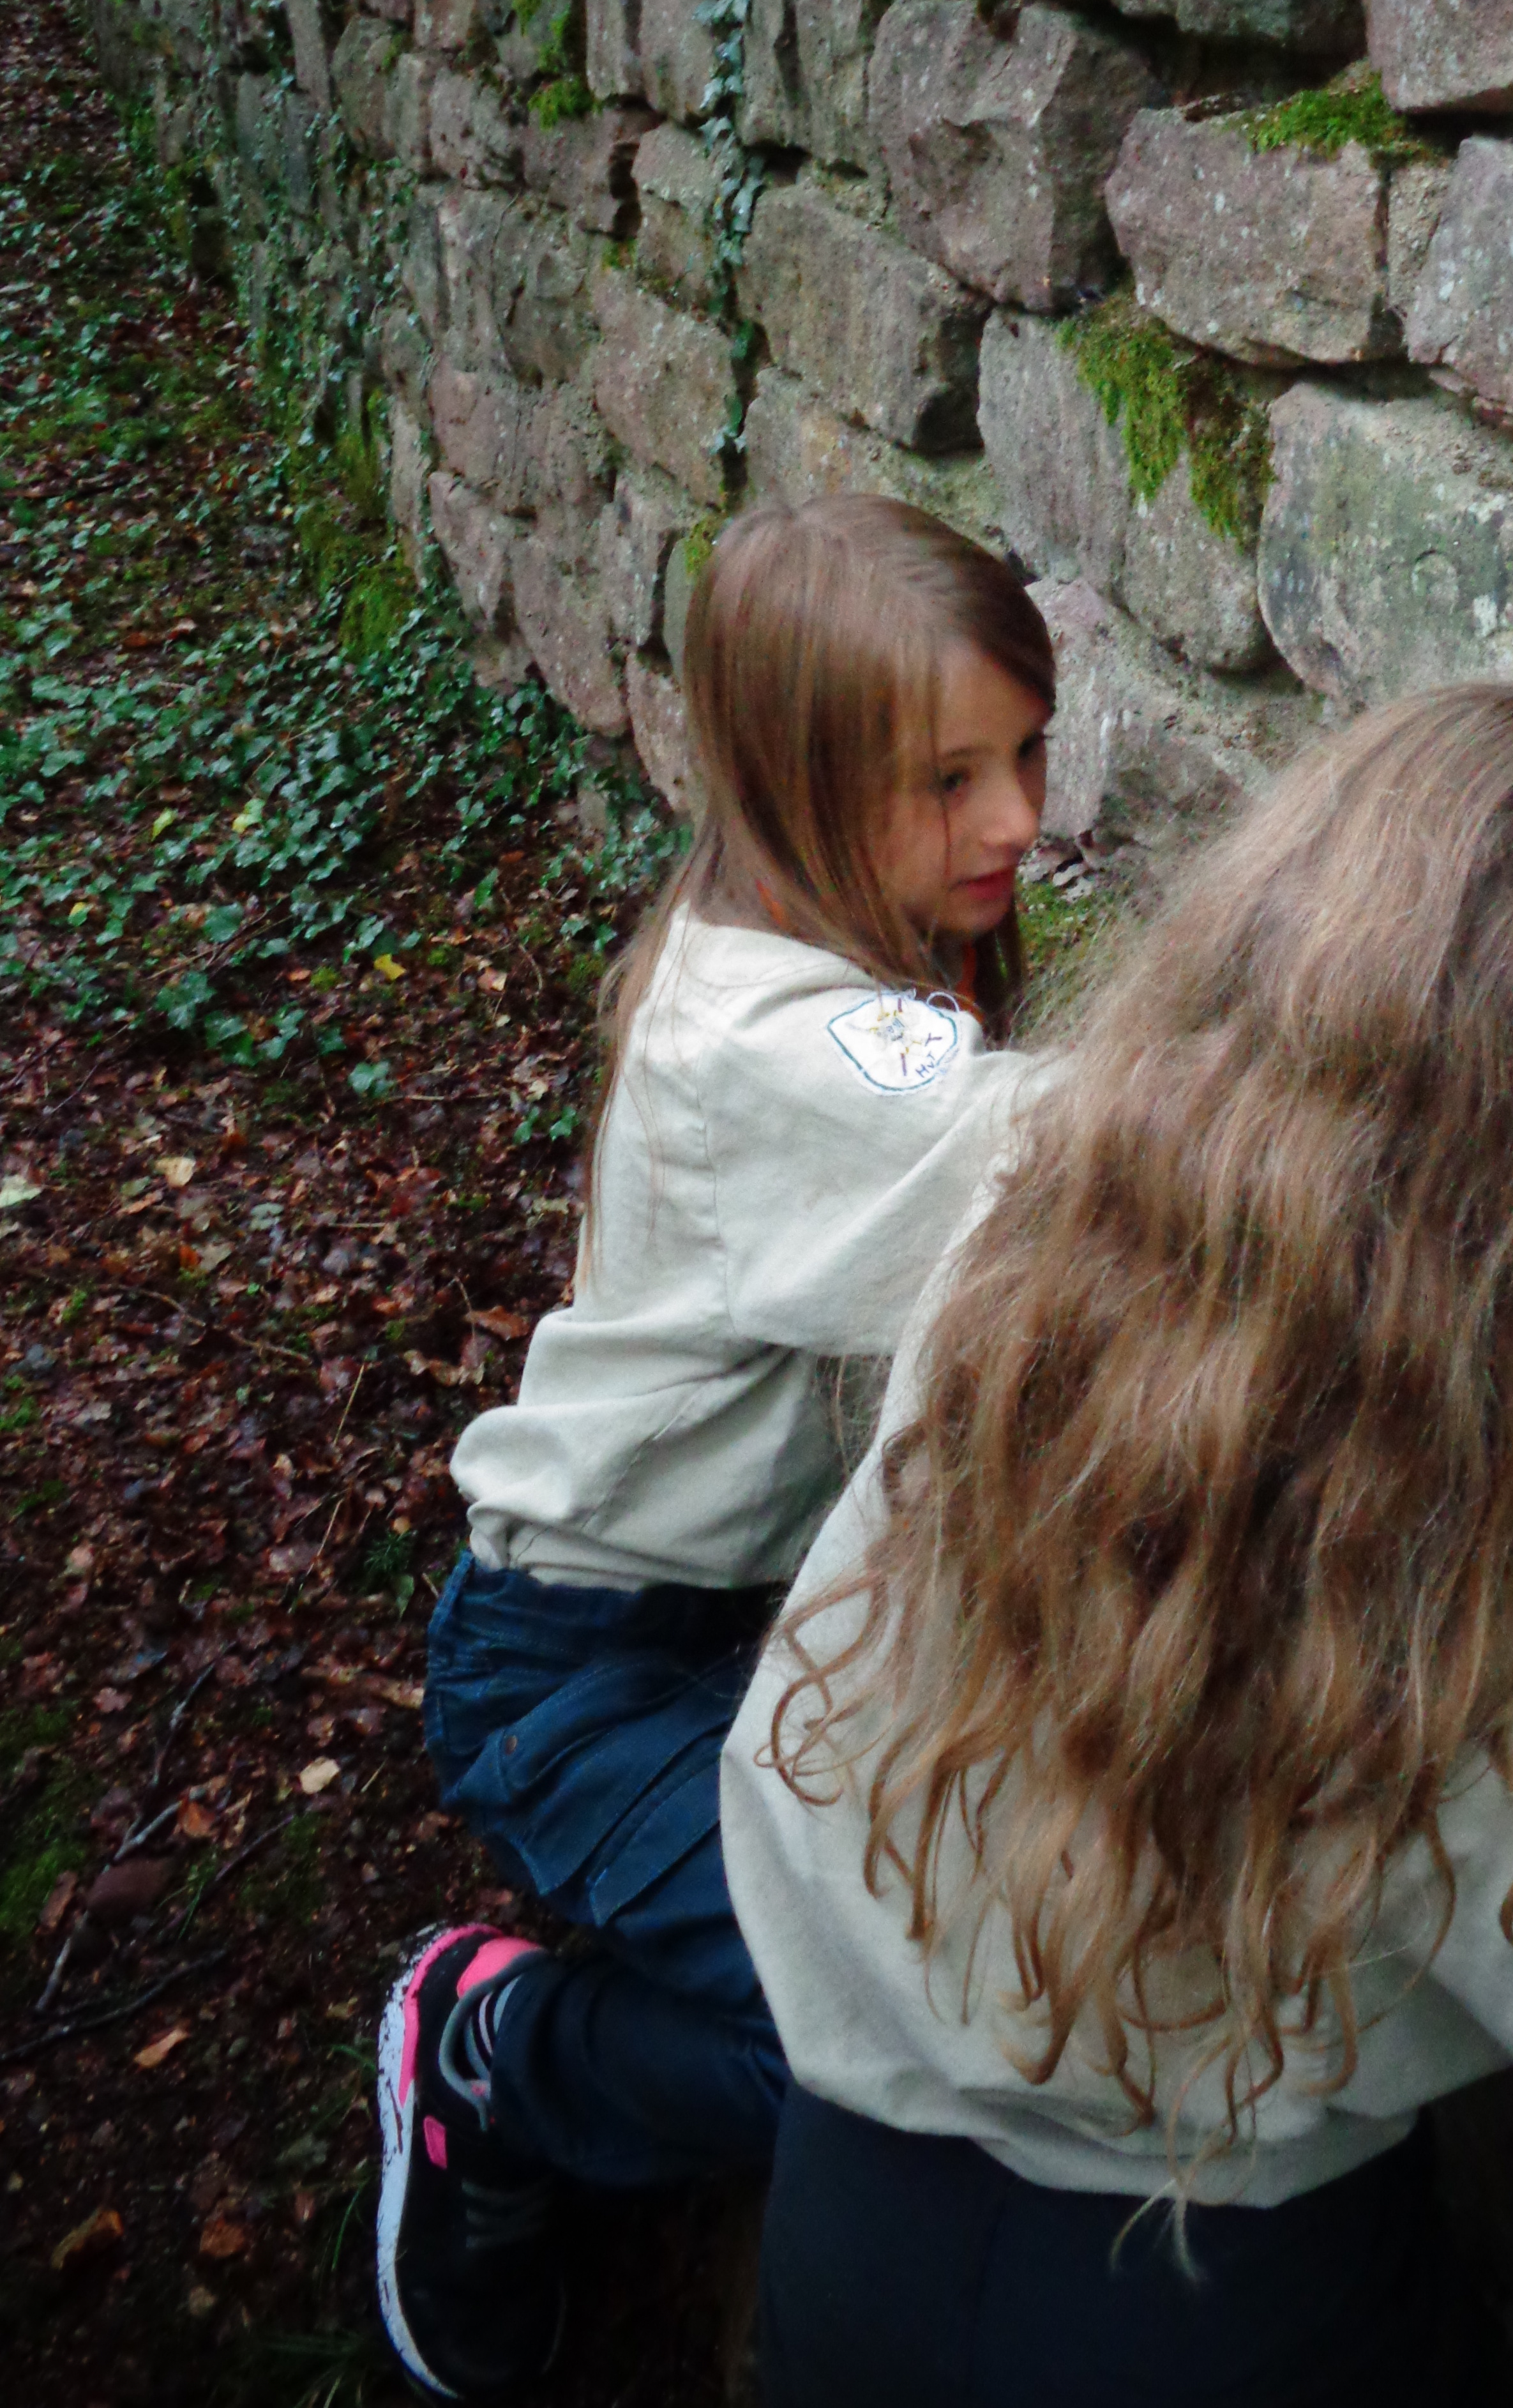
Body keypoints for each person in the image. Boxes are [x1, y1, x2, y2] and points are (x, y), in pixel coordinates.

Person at [721, 684, 1513, 2408]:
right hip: (1195, 2308)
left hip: (836, 2202)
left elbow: (1386, 1106)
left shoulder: (1038, 1223)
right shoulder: (1459, 1649)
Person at [374, 497, 1058, 2401]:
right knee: (848, 2043)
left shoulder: (821, 931)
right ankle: (498, 2058)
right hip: (576, 1675)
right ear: (800, 775)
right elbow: (1084, 1157)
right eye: (952, 777)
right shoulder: (770, 1046)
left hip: (756, 1635)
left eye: (1028, 753)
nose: (1018, 823)